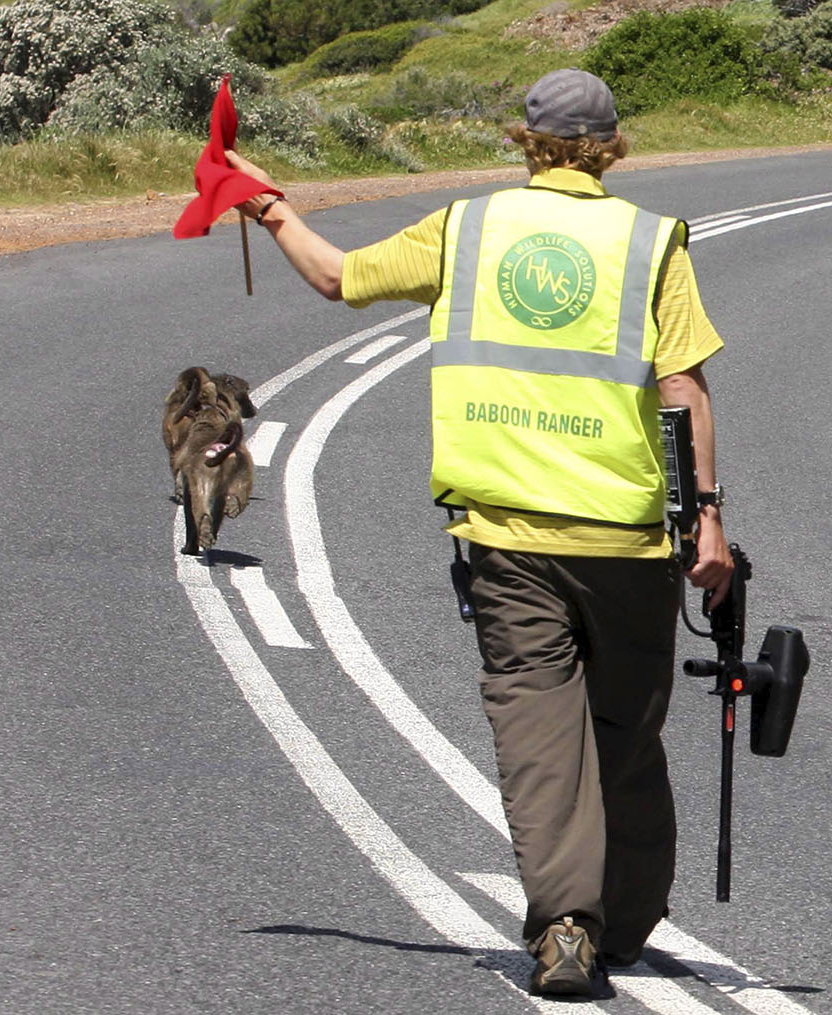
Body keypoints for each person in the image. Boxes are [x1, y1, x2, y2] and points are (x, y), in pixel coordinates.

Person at [224, 68, 734, 998]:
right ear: (613, 145)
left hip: (508, 537)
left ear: (527, 143)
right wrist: (708, 517)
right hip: (626, 540)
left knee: (540, 738)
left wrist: (265, 205)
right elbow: (682, 388)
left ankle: (566, 927)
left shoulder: (468, 229)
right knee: (625, 734)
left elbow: (339, 277)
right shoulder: (651, 243)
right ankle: (623, 917)